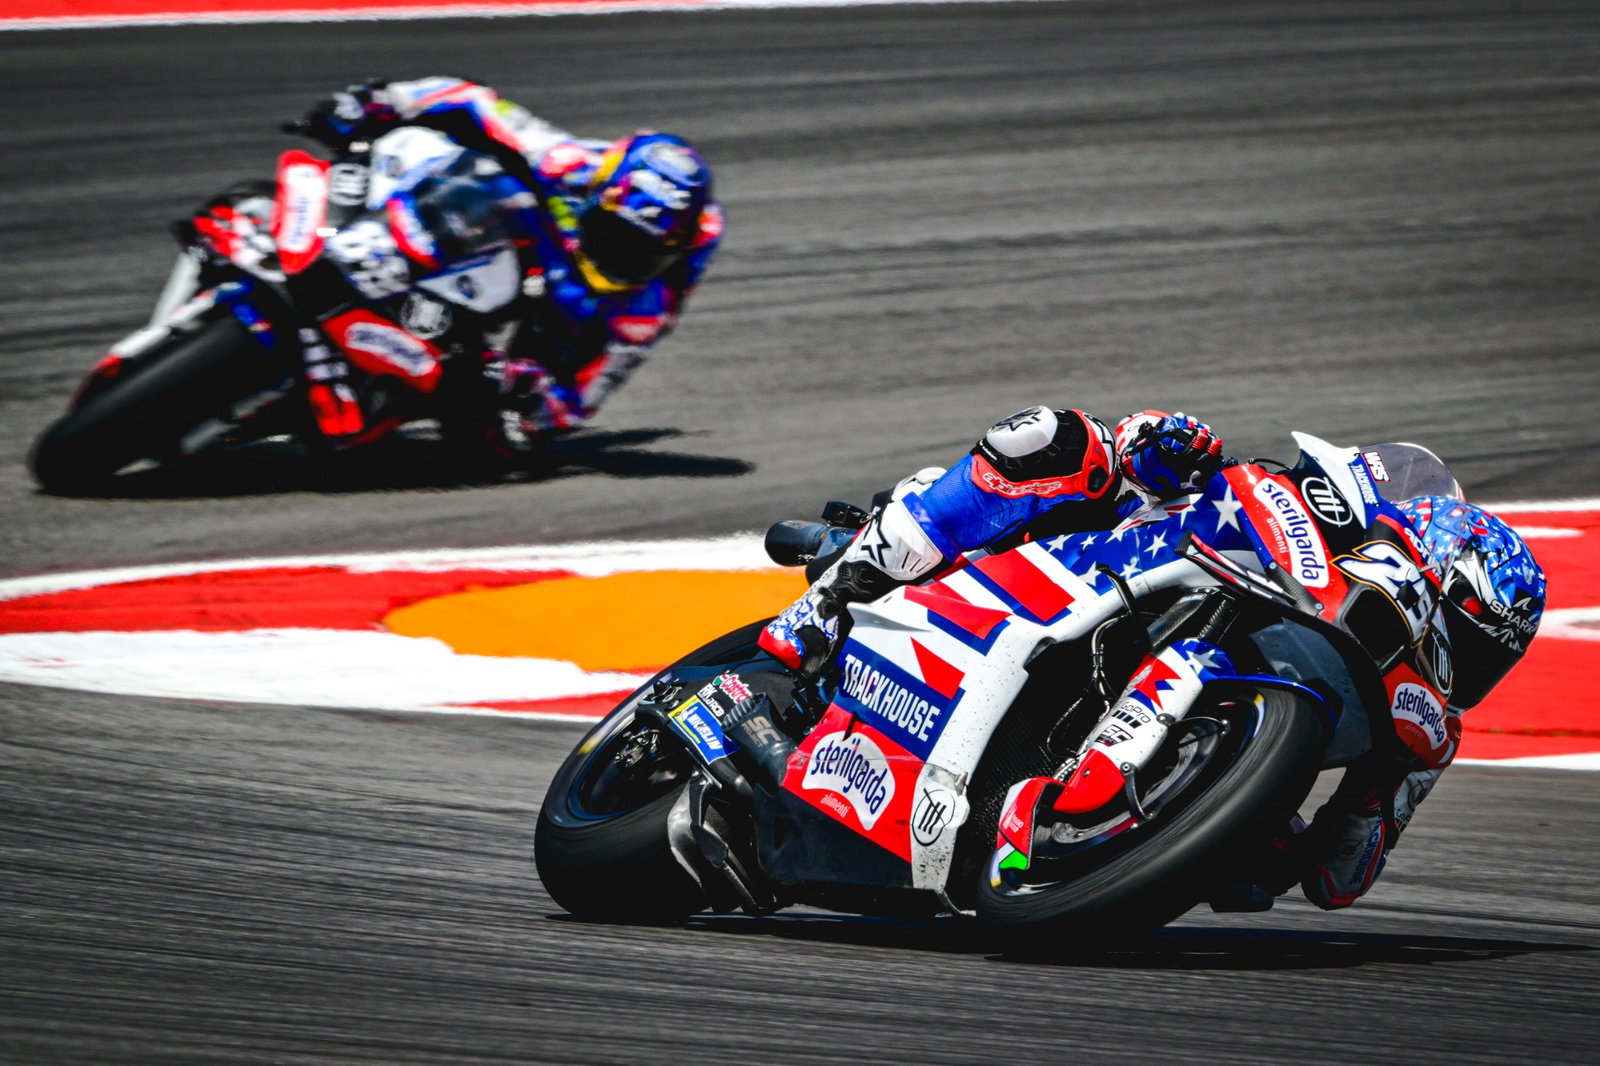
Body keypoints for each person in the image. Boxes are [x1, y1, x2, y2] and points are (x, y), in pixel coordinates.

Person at [754, 405, 1546, 913]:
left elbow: (1340, 879)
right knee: (1055, 439)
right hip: (1074, 571)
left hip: (1165, 765)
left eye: (1487, 662)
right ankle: (830, 599)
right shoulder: (1299, 509)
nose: (1466, 672)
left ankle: (1086, 825)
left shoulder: (1427, 729)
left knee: (1249, 882)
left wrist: (1316, 815)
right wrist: (1165, 445)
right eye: (1468, 638)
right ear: (1429, 567)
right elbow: (1167, 451)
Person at [199, 76, 722, 464]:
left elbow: (594, 385)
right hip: (451, 222)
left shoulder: (654, 294)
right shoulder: (568, 163)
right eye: (618, 238)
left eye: (645, 251)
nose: (626, 258)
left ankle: (332, 388)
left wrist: (529, 407)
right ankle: (320, 234)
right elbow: (472, 99)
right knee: (431, 153)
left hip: (504, 298)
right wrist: (377, 99)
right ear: (598, 199)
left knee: (476, 427)